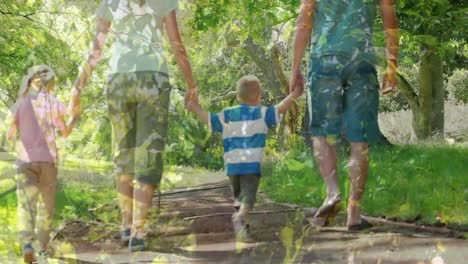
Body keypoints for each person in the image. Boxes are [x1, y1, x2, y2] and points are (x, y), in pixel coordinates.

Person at [68, 0, 197, 251]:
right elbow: (177, 46)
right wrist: (191, 84)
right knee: (149, 154)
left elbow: (96, 48)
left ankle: (126, 225)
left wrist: (77, 87)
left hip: (119, 79)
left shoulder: (111, 3)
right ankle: (138, 231)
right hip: (153, 80)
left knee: (123, 154)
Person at [289, 0, 399, 229]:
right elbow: (389, 19)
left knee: (321, 135)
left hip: (324, 61)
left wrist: (295, 68)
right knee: (359, 140)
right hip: (361, 62)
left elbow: (303, 24)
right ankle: (354, 213)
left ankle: (332, 194)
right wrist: (392, 66)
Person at [186, 75, 303, 242]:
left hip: (232, 166)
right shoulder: (262, 113)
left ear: (238, 96)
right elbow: (281, 108)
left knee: (239, 197)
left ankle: (243, 229)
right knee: (248, 197)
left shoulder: (227, 114)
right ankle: (241, 218)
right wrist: (294, 95)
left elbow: (209, 119)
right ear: (258, 96)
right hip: (250, 166)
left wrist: (194, 107)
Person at [8, 65, 74, 262]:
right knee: (46, 206)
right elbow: (65, 132)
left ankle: (28, 245)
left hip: (24, 160)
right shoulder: (53, 102)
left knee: (26, 205)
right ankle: (43, 246)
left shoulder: (20, 103)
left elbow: (10, 133)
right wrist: (75, 117)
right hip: (48, 162)